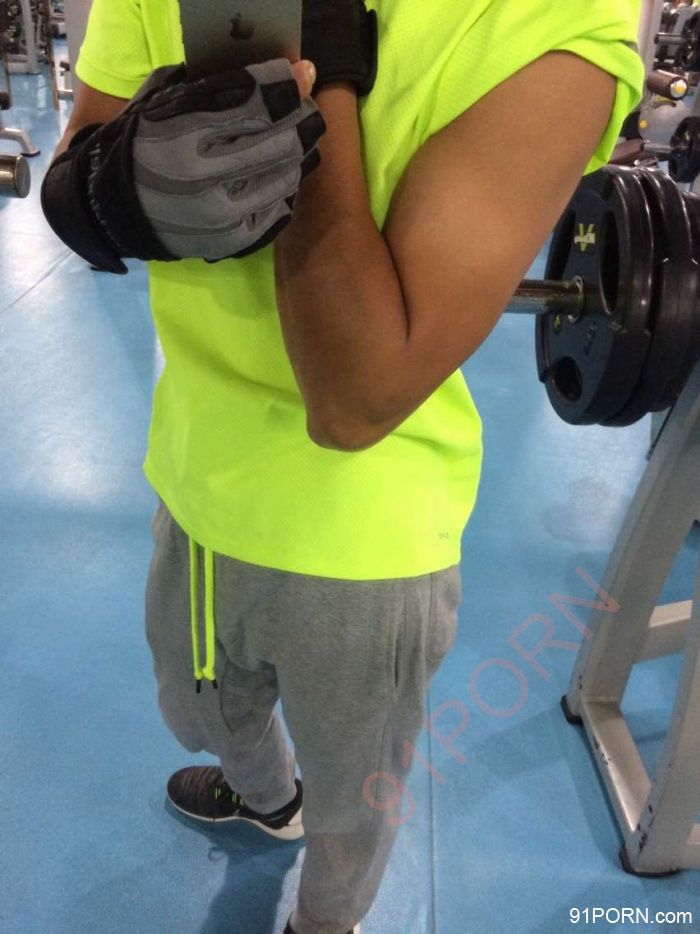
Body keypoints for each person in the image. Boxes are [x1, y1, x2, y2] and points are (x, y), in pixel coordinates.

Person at [41, 1, 644, 932]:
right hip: (197, 474)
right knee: (205, 713)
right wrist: (108, 189)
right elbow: (82, 145)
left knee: (355, 795)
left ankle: (325, 920)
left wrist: (317, 74)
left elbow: (355, 402)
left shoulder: (555, 23)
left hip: (365, 537)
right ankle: (266, 801)